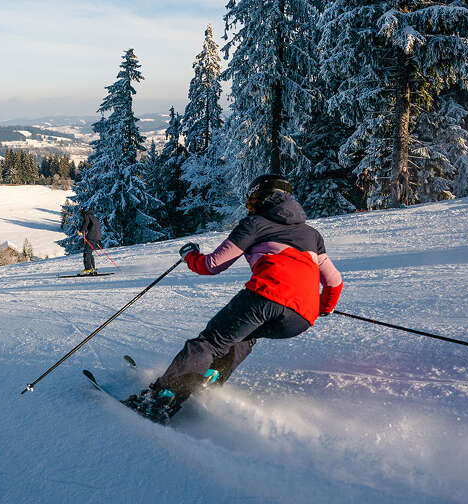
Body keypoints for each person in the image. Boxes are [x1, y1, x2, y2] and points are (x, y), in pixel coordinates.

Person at [123, 175, 343, 420]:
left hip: (265, 296)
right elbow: (334, 281)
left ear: (262, 197)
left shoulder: (255, 223)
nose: (250, 205)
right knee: (245, 337)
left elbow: (212, 264)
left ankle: (160, 399)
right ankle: (207, 381)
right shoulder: (312, 234)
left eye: (252, 199)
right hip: (301, 317)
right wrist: (324, 307)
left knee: (208, 342)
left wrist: (189, 255)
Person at [78, 208, 102, 276]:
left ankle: (87, 269)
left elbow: (86, 223)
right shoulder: (94, 217)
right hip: (97, 237)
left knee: (86, 253)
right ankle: (92, 269)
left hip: (91, 236)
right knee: (89, 253)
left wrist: (81, 231)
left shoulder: (87, 215)